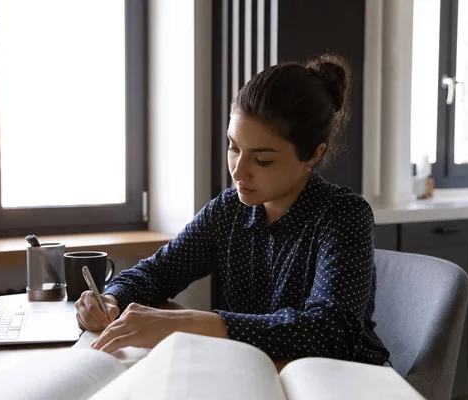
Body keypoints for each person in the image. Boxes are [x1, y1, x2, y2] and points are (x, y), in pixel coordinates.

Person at [76, 53, 390, 366]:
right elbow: (156, 273)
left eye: (263, 160)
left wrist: (190, 323)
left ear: (312, 154)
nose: (238, 172)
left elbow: (331, 334)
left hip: (345, 382)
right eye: (233, 147)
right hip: (255, 373)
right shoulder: (229, 211)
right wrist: (111, 298)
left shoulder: (343, 215)